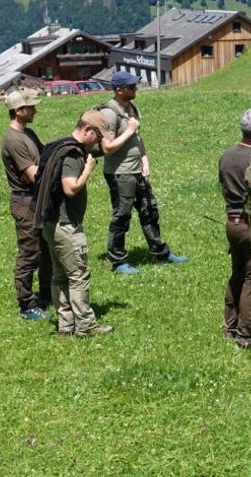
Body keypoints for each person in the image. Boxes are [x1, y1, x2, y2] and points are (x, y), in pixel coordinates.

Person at [35, 110, 114, 338]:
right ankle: (86, 326)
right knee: (78, 275)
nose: (98, 142)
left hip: (50, 221)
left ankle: (66, 324)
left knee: (59, 275)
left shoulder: (58, 146)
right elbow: (70, 188)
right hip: (66, 225)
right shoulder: (72, 155)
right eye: (97, 136)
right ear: (87, 130)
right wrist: (88, 170)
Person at [99, 71, 186, 274]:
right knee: (122, 216)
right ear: (119, 90)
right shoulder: (109, 114)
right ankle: (118, 261)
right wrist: (129, 130)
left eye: (135, 86)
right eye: (131, 87)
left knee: (150, 211)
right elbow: (107, 148)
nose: (135, 89)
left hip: (137, 170)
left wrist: (144, 160)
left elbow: (138, 137)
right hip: (120, 173)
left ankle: (161, 253)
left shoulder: (131, 108)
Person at [218, 107, 251, 348]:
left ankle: (229, 325)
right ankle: (246, 334)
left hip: (232, 222)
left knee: (237, 273)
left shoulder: (226, 155)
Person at [1, 87, 52, 320]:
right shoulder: (13, 140)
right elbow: (34, 175)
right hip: (25, 202)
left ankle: (47, 294)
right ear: (19, 110)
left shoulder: (28, 134)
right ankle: (27, 304)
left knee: (46, 251)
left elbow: (45, 157)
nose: (36, 110)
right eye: (31, 107)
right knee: (29, 254)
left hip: (36, 199)